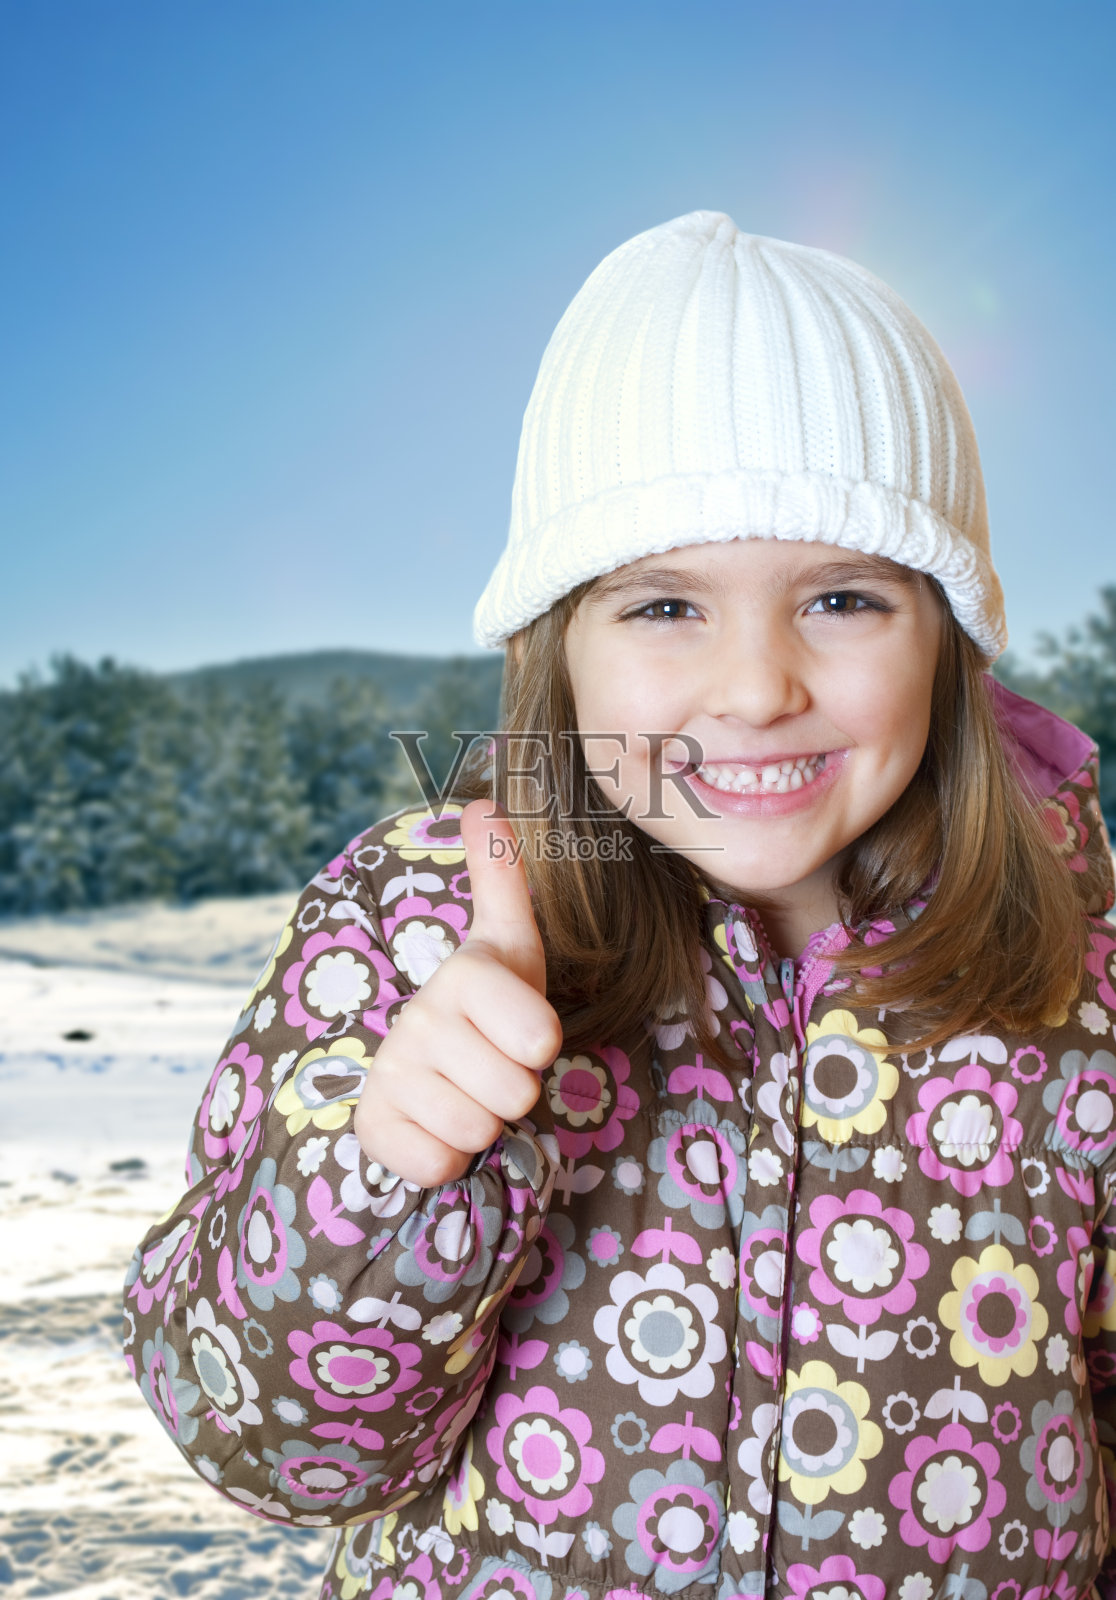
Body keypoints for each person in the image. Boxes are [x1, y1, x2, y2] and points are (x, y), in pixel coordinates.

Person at [124, 211, 1116, 1600]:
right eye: (664, 608)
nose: (757, 685)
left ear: (948, 639)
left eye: (842, 597)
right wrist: (385, 1176)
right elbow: (263, 1449)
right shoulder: (415, 930)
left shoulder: (1072, 978)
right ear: (561, 649)